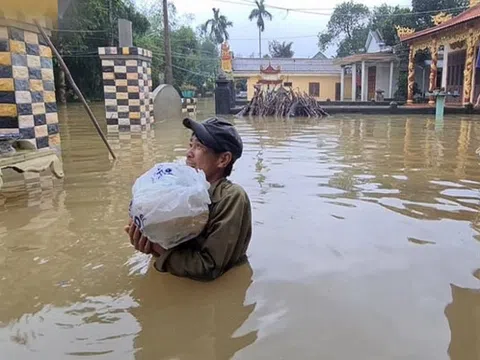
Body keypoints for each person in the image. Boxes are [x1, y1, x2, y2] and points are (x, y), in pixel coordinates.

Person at [125, 117, 252, 281]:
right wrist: (147, 235)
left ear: (223, 159)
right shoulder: (179, 190)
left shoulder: (232, 197)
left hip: (206, 297)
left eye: (199, 146)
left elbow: (209, 267)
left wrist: (157, 249)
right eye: (190, 145)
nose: (189, 153)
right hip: (171, 281)